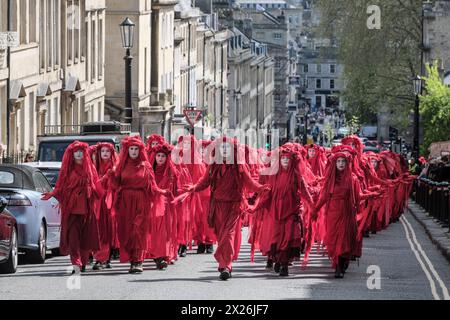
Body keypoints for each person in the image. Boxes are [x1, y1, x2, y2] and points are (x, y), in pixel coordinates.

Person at [181, 137, 270, 281]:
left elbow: (248, 181)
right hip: (217, 206)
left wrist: (260, 188)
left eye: (227, 148)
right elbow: (204, 182)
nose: (224, 150)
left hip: (233, 206)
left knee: (228, 236)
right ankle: (224, 261)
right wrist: (194, 188)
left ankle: (226, 265)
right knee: (220, 235)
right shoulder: (213, 165)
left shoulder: (239, 165)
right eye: (221, 148)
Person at [108, 136, 170, 274]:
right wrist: (112, 175)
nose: (134, 151)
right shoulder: (121, 165)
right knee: (127, 232)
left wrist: (162, 192)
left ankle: (138, 261)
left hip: (142, 201)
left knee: (139, 230)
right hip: (124, 202)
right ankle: (132, 259)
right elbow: (115, 185)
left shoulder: (146, 166)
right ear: (127, 150)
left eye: (136, 149)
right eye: (131, 149)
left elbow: (152, 186)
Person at [312, 151, 377, 278]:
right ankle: (337, 264)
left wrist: (372, 195)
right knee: (334, 240)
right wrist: (315, 209)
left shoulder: (353, 179)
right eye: (338, 161)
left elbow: (358, 197)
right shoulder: (330, 179)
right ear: (335, 163)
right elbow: (324, 196)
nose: (341, 164)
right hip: (333, 214)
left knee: (345, 239)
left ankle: (340, 266)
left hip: (347, 213)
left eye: (343, 162)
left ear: (347, 164)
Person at [250, 146, 313, 276]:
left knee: (288, 238)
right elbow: (268, 193)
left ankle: (284, 265)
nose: (285, 161)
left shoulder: (296, 176)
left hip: (291, 212)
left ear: (292, 161)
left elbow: (305, 193)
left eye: (287, 159)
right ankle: (278, 260)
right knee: (277, 238)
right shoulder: (273, 176)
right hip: (275, 213)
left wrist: (313, 207)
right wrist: (256, 206)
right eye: (282, 158)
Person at [41, 141, 101, 274]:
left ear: (85, 153)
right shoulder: (68, 169)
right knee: (73, 237)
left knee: (85, 237)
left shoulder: (90, 168)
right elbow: (60, 185)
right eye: (76, 151)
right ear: (72, 154)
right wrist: (52, 193)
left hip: (87, 208)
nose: (79, 153)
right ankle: (76, 262)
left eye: (81, 151)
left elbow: (96, 186)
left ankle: (83, 262)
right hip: (72, 208)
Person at [92, 142, 119, 270]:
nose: (105, 154)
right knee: (98, 231)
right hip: (98, 202)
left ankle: (105, 258)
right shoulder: (94, 167)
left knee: (108, 231)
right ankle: (99, 258)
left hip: (111, 203)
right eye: (102, 151)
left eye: (108, 151)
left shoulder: (116, 168)